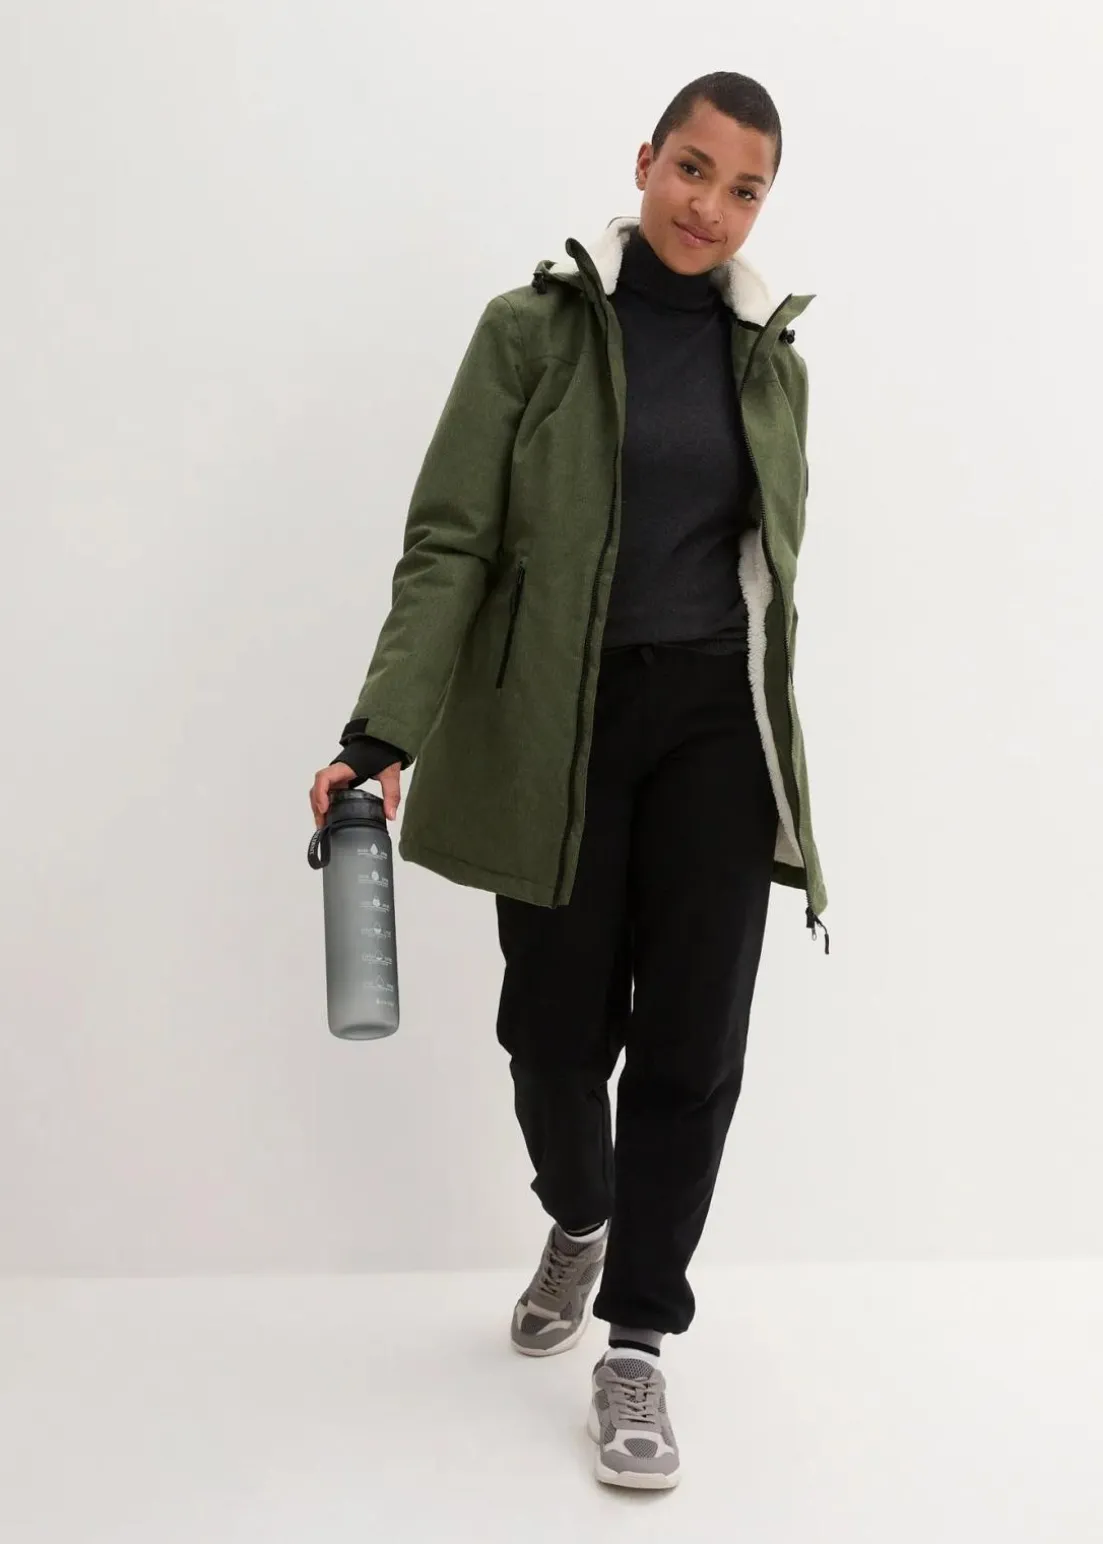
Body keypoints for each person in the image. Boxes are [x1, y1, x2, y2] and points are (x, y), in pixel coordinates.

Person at [309, 70, 828, 1490]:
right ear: (645, 159)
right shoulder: (528, 333)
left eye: (744, 190)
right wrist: (382, 733)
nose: (709, 208)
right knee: (550, 1031)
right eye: (693, 169)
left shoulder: (770, 366)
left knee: (693, 1043)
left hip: (714, 729)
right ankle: (581, 1214)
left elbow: (768, 580)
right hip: (558, 721)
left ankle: (637, 1340)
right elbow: (451, 544)